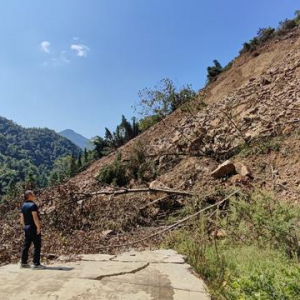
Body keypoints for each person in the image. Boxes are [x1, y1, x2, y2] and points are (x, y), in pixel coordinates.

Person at [20, 190, 46, 269]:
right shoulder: (33, 205)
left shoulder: (23, 205)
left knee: (26, 245)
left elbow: (21, 219)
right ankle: (36, 264)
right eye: (33, 194)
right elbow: (35, 217)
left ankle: (23, 263)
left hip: (26, 227)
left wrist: (24, 227)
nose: (34, 195)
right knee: (37, 245)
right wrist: (38, 227)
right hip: (33, 227)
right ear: (29, 195)